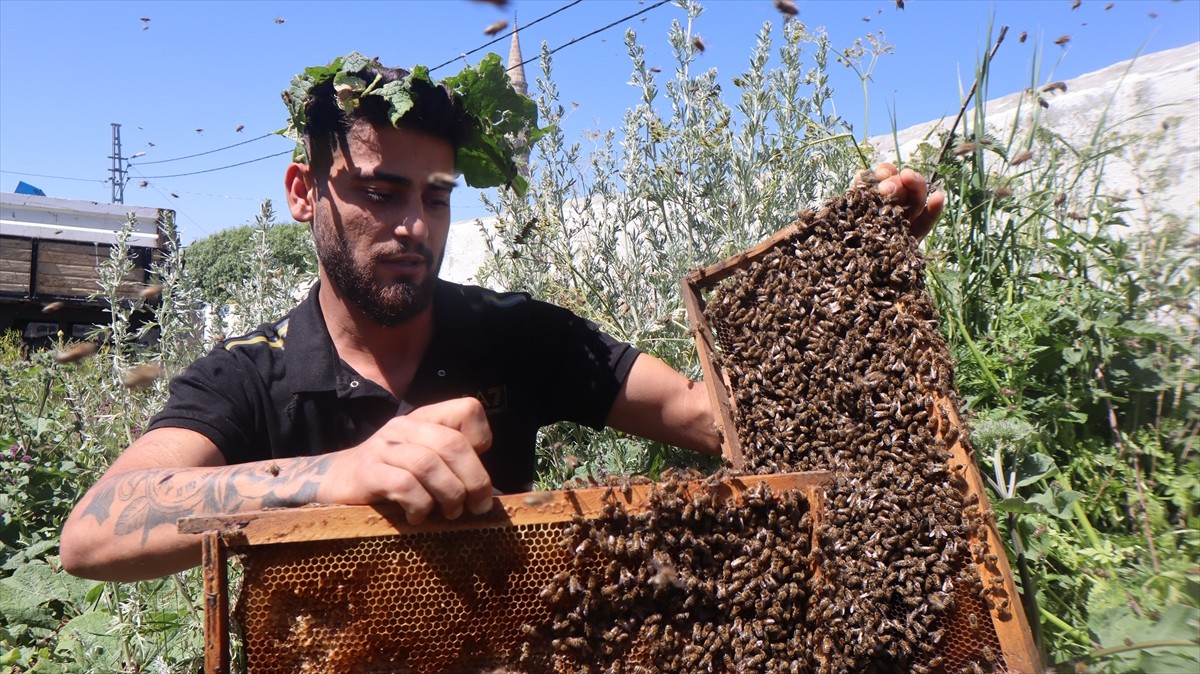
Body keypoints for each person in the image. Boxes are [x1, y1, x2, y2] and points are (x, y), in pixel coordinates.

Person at [60, 53, 943, 582]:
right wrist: (339, 476)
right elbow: (94, 530)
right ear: (304, 193)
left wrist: (835, 280)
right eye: (379, 191)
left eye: (436, 197)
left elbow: (715, 420)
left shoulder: (520, 334)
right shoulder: (245, 375)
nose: (413, 226)